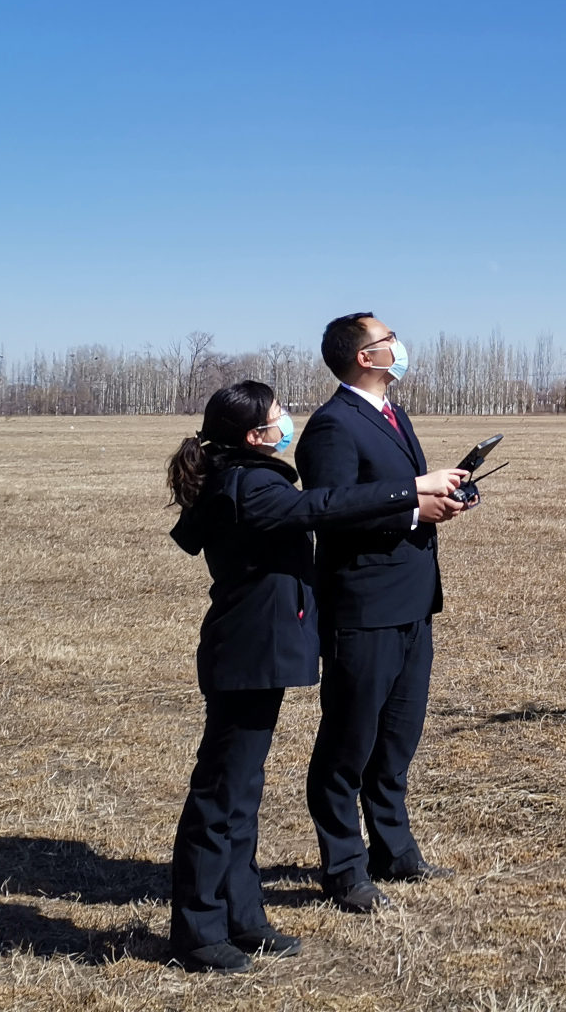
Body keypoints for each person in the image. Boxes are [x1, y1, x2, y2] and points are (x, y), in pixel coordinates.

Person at [165, 379, 469, 974]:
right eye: (279, 416)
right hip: (246, 653)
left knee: (243, 794)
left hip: (261, 650)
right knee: (220, 795)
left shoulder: (241, 476)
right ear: (255, 437)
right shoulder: (246, 485)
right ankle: (198, 932)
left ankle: (244, 917)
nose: (288, 423)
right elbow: (323, 505)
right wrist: (413, 488)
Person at [300, 313, 469, 912]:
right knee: (348, 745)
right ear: (365, 358)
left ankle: (394, 852)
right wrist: (409, 510)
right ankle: (345, 868)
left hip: (412, 602)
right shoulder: (331, 426)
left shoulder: (393, 416)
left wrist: (439, 497)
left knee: (397, 739)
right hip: (363, 607)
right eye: (388, 338)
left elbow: (396, 490)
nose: (399, 344)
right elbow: (328, 508)